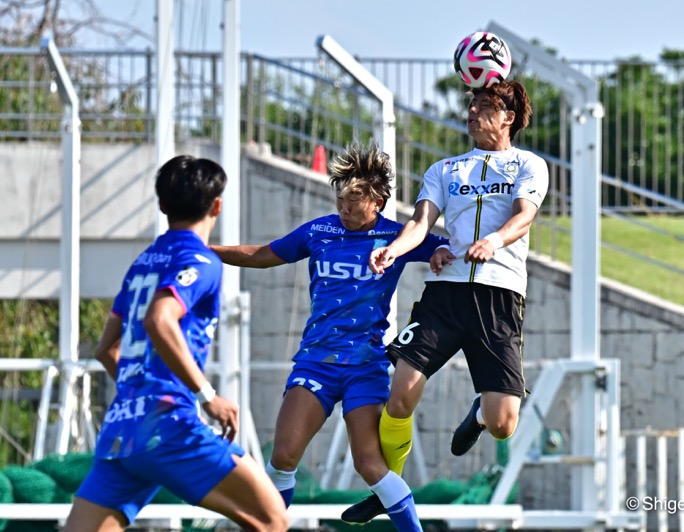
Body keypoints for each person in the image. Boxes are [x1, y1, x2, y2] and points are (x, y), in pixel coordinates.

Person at [210, 142, 447, 532]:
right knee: (283, 455)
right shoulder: (319, 231)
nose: (344, 208)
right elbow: (260, 254)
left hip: (365, 366)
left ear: (379, 200)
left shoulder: (398, 237)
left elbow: (453, 251)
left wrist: (441, 254)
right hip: (316, 361)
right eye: (340, 199)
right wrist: (206, 249)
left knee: (370, 465)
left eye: (354, 201)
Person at [344, 79, 549, 522]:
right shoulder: (446, 169)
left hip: (498, 299)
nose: (473, 112)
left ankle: (479, 413)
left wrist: (493, 241)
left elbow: (524, 216)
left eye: (484, 106)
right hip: (446, 294)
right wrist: (394, 249)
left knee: (502, 424)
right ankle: (388, 489)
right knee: (400, 393)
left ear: (508, 117)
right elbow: (420, 223)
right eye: (471, 104)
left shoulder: (528, 164)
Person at [64, 155, 289, 532]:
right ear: (217, 205)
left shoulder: (143, 262)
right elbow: (159, 319)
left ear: (162, 205)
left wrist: (141, 392)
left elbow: (107, 350)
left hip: (122, 433)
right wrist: (207, 395)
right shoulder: (201, 260)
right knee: (273, 519)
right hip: (169, 427)